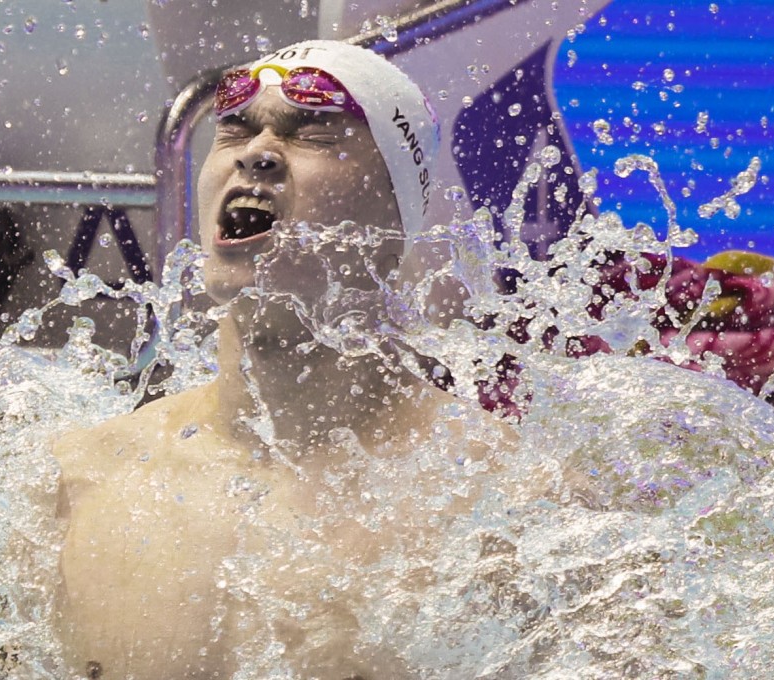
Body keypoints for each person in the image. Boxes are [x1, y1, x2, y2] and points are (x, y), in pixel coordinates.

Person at [52, 40, 520, 678]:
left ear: (397, 216)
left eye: (317, 131)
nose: (258, 152)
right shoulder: (78, 483)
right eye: (235, 128)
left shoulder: (508, 506)